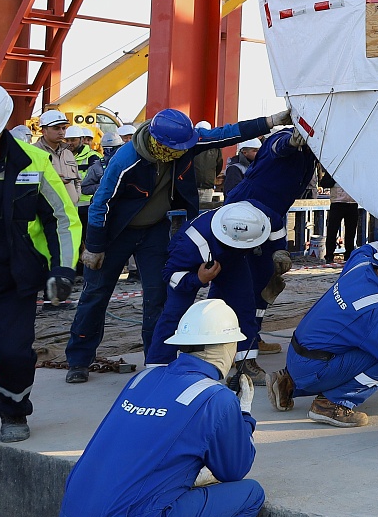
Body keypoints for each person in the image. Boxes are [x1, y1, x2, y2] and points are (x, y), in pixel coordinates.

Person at [59, 299, 262, 517]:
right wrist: (244, 417)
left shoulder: (142, 379)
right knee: (251, 496)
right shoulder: (215, 398)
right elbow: (234, 470)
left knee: (125, 478)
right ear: (225, 347)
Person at [64, 108, 281, 384]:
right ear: (158, 143)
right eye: (175, 149)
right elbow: (100, 203)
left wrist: (270, 121)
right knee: (96, 293)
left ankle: (156, 360)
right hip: (115, 234)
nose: (181, 153)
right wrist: (94, 246)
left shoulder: (185, 143)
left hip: (153, 230)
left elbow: (226, 133)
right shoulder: (126, 159)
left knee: (159, 296)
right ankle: (79, 360)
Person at [0, 80, 80, 442]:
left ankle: (13, 412)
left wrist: (62, 270)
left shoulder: (34, 164)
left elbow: (62, 218)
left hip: (11, 281)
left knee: (11, 354)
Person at [265, 230, 378, 427]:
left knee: (368, 342)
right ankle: (332, 404)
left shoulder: (362, 265)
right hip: (312, 367)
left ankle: (288, 383)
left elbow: (368, 248)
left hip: (297, 356)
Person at [218, 127, 317, 372]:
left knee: (265, 281)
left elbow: (277, 209)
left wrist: (279, 248)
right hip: (245, 214)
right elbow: (277, 148)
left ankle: (253, 338)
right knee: (237, 286)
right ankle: (237, 354)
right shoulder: (283, 139)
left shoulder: (312, 153)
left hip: (270, 217)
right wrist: (291, 142)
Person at [142, 201, 273, 371]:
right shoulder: (189, 245)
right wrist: (198, 279)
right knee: (175, 314)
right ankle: (158, 366)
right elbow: (170, 275)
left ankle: (245, 361)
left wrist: (277, 255)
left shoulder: (256, 219)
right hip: (192, 266)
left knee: (244, 305)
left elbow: (275, 232)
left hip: (231, 257)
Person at [34, 108, 83, 206]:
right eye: (56, 128)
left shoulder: (68, 153)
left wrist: (76, 197)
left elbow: (77, 180)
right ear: (44, 131)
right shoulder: (34, 152)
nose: (61, 132)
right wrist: (54, 181)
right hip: (46, 212)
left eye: (63, 128)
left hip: (70, 211)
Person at [80, 130, 123, 204]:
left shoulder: (127, 164)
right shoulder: (97, 166)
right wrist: (103, 186)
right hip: (104, 206)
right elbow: (85, 188)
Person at [325, 177, 361, 263]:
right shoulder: (335, 170)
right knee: (332, 230)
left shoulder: (355, 172)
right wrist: (335, 178)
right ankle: (329, 255)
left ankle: (348, 255)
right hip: (337, 204)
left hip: (352, 204)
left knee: (351, 232)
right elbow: (325, 183)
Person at [191, 121, 222, 211]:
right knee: (202, 212)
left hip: (201, 186)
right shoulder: (216, 147)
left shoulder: (190, 146)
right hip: (203, 185)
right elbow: (219, 165)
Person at [67, 125, 102, 197]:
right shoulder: (62, 156)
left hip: (87, 202)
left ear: (82, 140)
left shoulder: (93, 157)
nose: (69, 143)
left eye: (73, 140)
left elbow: (100, 182)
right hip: (69, 201)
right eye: (67, 140)